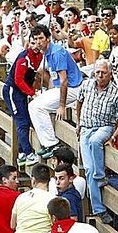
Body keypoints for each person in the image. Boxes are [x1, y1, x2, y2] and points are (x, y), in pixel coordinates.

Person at [75, 59, 118, 224]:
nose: (100, 75)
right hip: (86, 127)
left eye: (103, 72)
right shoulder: (86, 85)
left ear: (110, 74)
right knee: (88, 169)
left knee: (96, 140)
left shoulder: (117, 92)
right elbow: (79, 102)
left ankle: (100, 175)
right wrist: (78, 123)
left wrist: (114, 135)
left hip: (104, 126)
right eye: (97, 72)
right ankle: (99, 208)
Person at [27, 25, 84, 159]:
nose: (38, 42)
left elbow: (64, 81)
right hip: (61, 88)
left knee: (37, 106)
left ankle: (52, 144)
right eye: (35, 39)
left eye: (41, 38)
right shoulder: (46, 53)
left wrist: (61, 105)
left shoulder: (57, 52)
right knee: (33, 105)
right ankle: (47, 143)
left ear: (48, 38)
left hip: (73, 88)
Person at [3, 39, 43, 167]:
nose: (36, 46)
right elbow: (18, 80)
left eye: (38, 43)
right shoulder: (23, 58)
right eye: (33, 43)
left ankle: (21, 152)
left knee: (25, 119)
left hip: (22, 92)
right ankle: (28, 152)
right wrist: (31, 93)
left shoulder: (39, 56)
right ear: (28, 44)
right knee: (22, 121)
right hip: (13, 91)